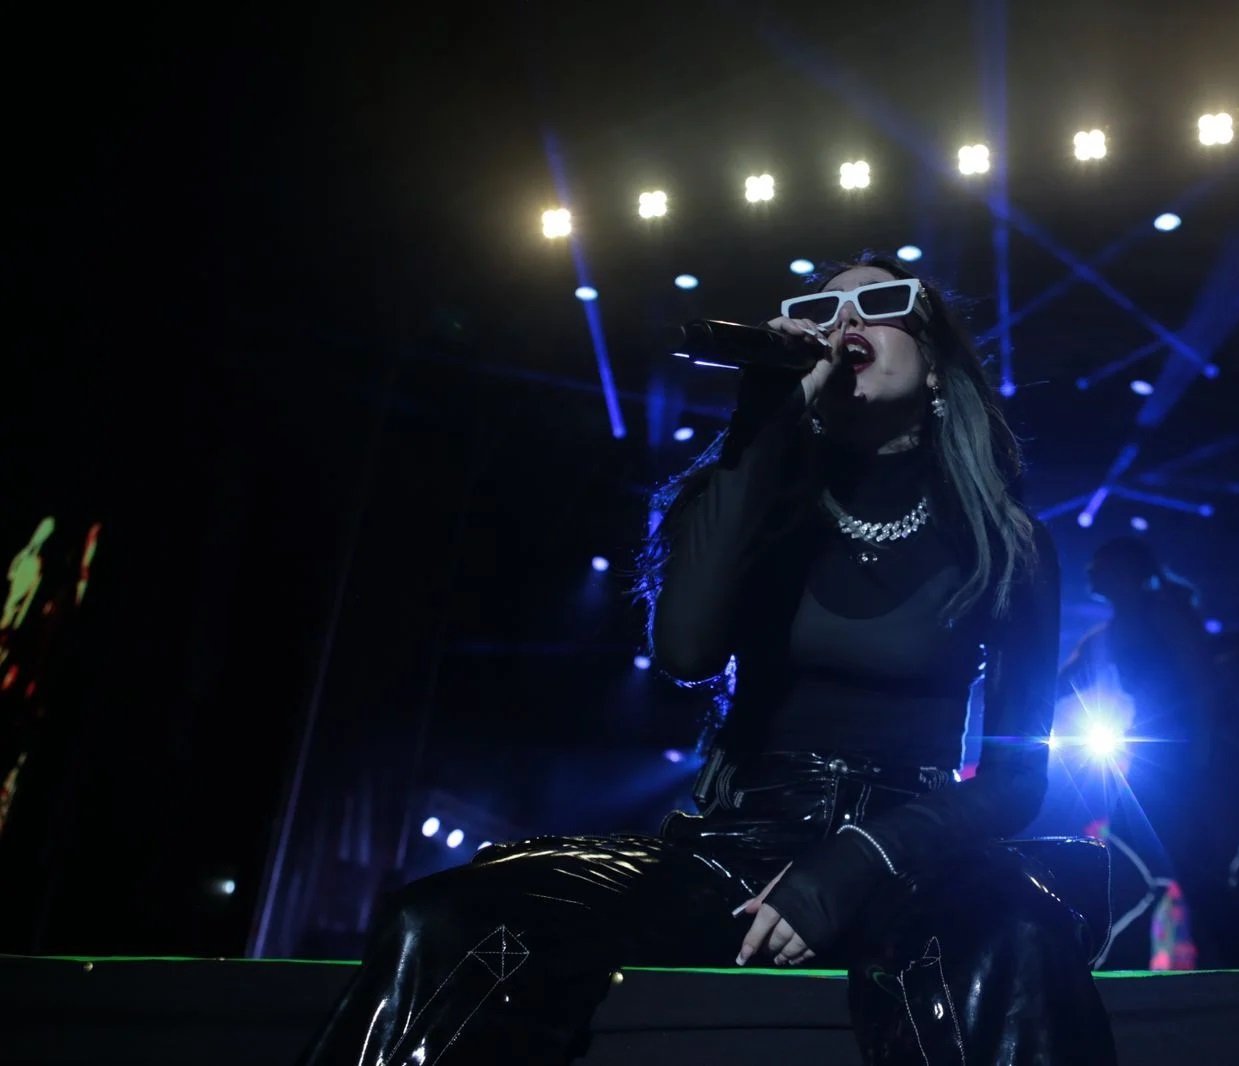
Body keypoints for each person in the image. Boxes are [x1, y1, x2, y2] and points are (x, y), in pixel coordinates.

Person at [300, 256, 1116, 1065]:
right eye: (824, 310)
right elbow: (686, 652)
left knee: (1018, 940)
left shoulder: (1006, 545)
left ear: (935, 365)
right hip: (738, 842)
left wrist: (859, 858)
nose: (846, 322)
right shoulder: (760, 498)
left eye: (882, 302)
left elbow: (1017, 778)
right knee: (448, 919)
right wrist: (764, 414)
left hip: (908, 852)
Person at [1062, 536, 1239, 970]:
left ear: (1127, 570)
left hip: (1209, 756)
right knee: (1151, 865)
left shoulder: (1167, 613)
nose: (1090, 571)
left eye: (1100, 563)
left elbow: (1202, 686)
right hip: (1164, 760)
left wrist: (1200, 758)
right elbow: (1062, 680)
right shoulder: (1110, 634)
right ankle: (1141, 970)